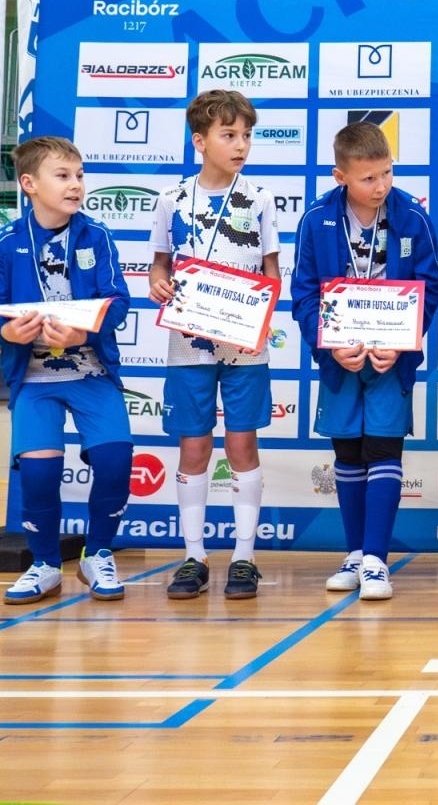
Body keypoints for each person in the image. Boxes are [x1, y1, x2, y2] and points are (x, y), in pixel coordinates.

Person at [0, 137, 134, 604]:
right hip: (36, 381)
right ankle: (44, 564)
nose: (75, 185)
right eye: (62, 176)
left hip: (91, 373)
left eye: (79, 175)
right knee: (40, 474)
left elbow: (118, 302)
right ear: (29, 184)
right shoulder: (6, 243)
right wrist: (9, 333)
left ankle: (98, 554)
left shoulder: (97, 235)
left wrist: (84, 335)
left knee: (114, 461)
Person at [292, 122, 438, 600]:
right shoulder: (315, 220)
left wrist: (403, 341)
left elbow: (430, 289)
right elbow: (304, 294)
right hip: (341, 360)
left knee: (383, 450)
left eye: (387, 174)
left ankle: (377, 559)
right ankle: (356, 553)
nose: (381, 187)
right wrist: (328, 345)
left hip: (390, 360)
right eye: (368, 178)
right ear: (341, 176)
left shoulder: (413, 218)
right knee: (348, 455)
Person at [148, 90, 282, 601]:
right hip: (188, 343)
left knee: (242, 444)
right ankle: (194, 556)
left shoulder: (261, 198)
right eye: (229, 135)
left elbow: (271, 274)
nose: (240, 144)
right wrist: (158, 283)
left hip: (245, 345)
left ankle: (244, 558)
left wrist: (257, 318)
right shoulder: (172, 199)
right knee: (194, 445)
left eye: (246, 135)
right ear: (199, 141)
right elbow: (161, 263)